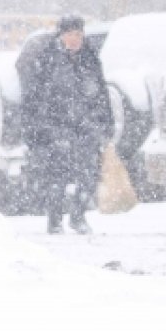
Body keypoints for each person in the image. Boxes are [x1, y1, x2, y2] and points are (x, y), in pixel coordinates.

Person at [20, 15, 114, 235]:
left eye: (79, 34)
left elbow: (101, 93)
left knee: (88, 173)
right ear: (61, 35)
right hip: (56, 126)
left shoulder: (90, 58)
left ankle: (78, 216)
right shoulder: (47, 59)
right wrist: (37, 127)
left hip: (86, 125)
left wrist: (105, 122)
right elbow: (33, 96)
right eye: (70, 34)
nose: (75, 39)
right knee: (57, 175)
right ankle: (54, 220)